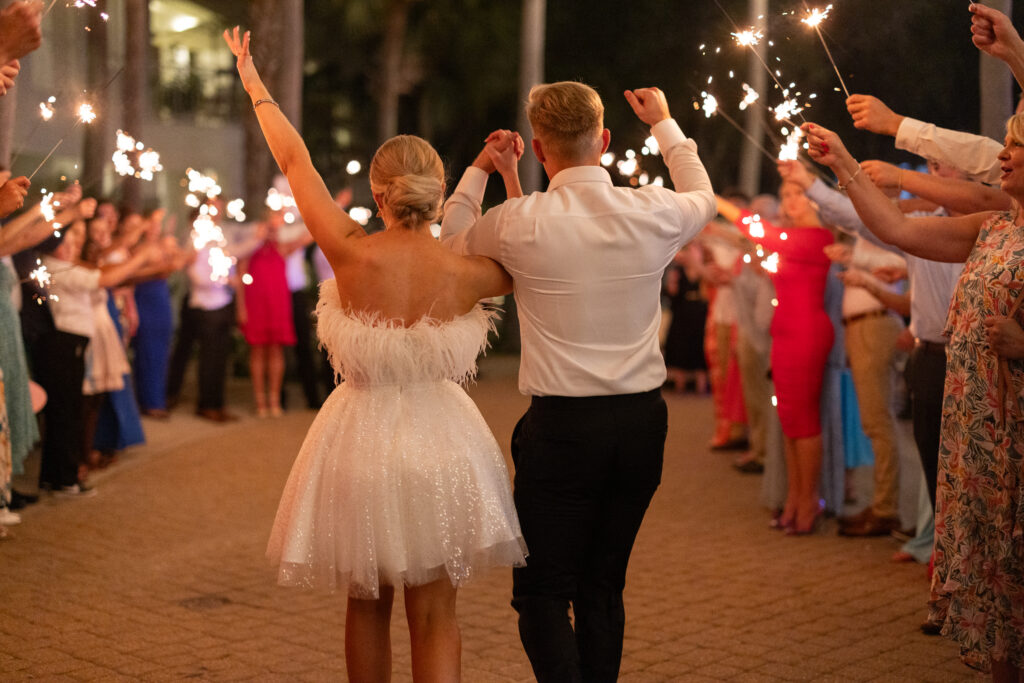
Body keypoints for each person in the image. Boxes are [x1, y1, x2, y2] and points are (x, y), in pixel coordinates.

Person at [224, 27, 526, 682]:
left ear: (379, 191)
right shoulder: (469, 271)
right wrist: (503, 172)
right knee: (438, 612)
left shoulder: (350, 251)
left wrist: (253, 79)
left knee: (366, 605)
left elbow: (296, 162)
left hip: (359, 441)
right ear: (436, 188)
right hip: (444, 441)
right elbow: (535, 247)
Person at [442, 82, 715, 682]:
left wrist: (481, 170)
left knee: (542, 592)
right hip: (643, 423)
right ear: (606, 140)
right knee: (602, 586)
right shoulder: (653, 209)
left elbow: (451, 240)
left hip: (564, 430)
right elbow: (701, 194)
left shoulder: (521, 221)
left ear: (540, 149)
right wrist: (666, 124)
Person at [802, 106, 1024, 678]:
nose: (1002, 155)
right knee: (997, 569)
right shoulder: (996, 225)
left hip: (1018, 423)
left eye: (1017, 146)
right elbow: (898, 229)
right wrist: (845, 163)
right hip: (979, 425)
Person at [716, 175, 835, 536]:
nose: (791, 200)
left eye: (799, 193)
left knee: (804, 420)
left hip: (806, 334)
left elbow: (763, 234)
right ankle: (795, 498)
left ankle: (809, 501)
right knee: (787, 419)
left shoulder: (818, 238)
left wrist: (717, 201)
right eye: (786, 194)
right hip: (783, 334)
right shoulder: (791, 240)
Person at [237, 210, 297, 418]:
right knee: (257, 351)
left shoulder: (282, 248)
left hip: (277, 304)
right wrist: (241, 307)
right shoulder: (250, 249)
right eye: (268, 226)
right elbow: (240, 279)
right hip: (256, 304)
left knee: (276, 350)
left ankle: (274, 399)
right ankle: (260, 401)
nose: (271, 231)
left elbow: (308, 235)